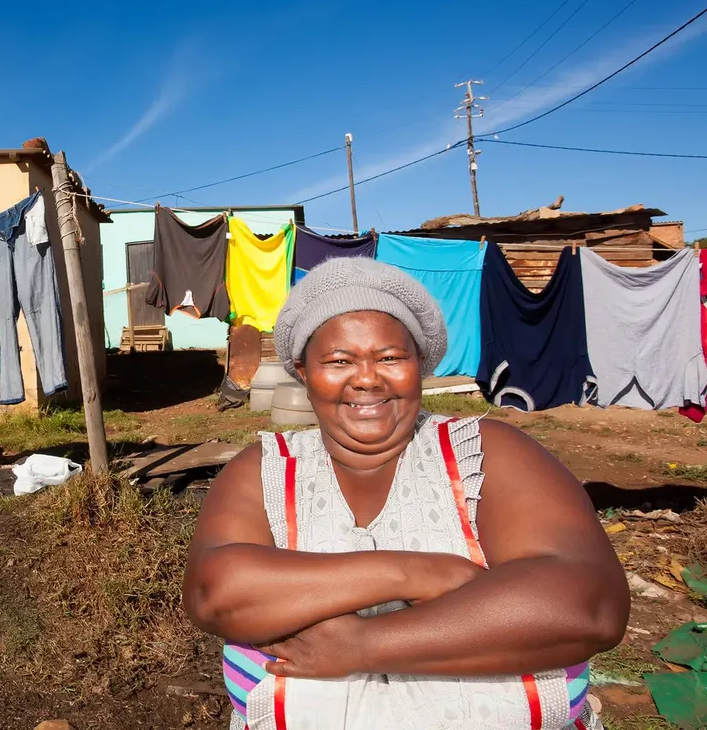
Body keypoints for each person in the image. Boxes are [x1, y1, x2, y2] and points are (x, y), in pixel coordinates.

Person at [182, 257, 629, 730]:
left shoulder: (487, 453)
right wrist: (416, 573)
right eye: (338, 361)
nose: (367, 378)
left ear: (420, 365)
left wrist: (362, 646)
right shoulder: (265, 469)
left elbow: (588, 607)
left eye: (390, 357)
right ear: (303, 372)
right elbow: (216, 592)